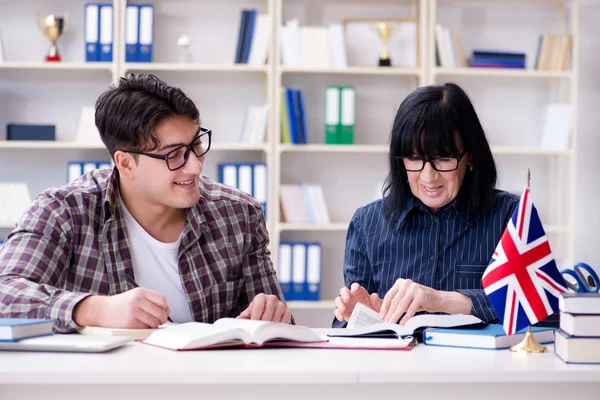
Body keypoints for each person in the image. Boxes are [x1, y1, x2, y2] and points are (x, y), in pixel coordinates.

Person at [0, 73, 292, 333]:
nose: (195, 167)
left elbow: (277, 331)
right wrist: (95, 310)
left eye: (196, 145)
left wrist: (273, 315)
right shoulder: (64, 211)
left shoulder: (238, 213)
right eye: (174, 154)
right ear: (126, 163)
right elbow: (5, 292)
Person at [333, 82, 557, 328]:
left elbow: (547, 313)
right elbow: (343, 331)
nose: (428, 177)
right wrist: (361, 316)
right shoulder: (367, 224)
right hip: (397, 366)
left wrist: (442, 300)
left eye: (443, 159)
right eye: (415, 158)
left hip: (481, 366)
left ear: (470, 156)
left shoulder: (510, 216)